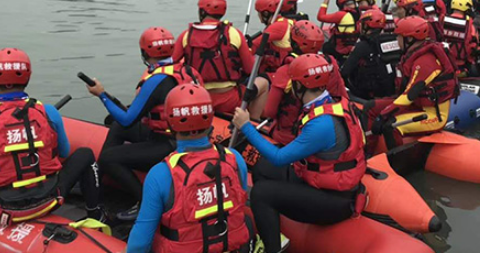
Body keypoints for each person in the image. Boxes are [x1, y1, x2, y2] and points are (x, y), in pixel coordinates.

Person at [232, 54, 367, 253]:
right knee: (262, 168)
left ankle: (272, 249)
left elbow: (280, 159)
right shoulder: (334, 104)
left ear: (299, 87)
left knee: (260, 194)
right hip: (322, 182)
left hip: (333, 200)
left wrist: (246, 126)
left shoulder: (321, 124)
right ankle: (274, 228)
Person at [0, 48, 105, 226]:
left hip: (5, 205)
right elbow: (64, 152)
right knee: (85, 154)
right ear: (27, 77)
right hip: (50, 198)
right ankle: (95, 213)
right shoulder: (48, 112)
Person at [85, 27, 202, 221]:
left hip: (169, 145)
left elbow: (127, 119)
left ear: (144, 53)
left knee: (108, 157)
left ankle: (144, 202)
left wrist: (101, 95)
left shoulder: (157, 79)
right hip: (180, 137)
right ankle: (100, 182)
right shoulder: (187, 70)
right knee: (117, 127)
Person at [127, 84, 252, 253]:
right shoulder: (235, 159)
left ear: (170, 123)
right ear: (209, 119)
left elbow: (139, 244)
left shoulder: (161, 174)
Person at [172, 0, 269, 119]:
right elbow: (250, 70)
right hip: (230, 100)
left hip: (197, 98)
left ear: (201, 12)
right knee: (264, 83)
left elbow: (172, 64)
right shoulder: (233, 33)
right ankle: (253, 122)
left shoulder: (186, 35)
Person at [371, 17, 459, 150]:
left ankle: (396, 164)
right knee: (370, 107)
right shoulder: (413, 54)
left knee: (391, 126)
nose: (397, 41)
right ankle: (368, 148)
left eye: (399, 37)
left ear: (409, 39)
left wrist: (384, 115)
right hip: (416, 106)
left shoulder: (424, 62)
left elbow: (409, 96)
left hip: (433, 116)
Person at [264, 21, 347, 146]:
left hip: (291, 135)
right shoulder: (331, 62)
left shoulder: (285, 71)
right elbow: (342, 94)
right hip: (327, 127)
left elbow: (269, 112)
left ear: (293, 43)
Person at [341, 9, 401, 99]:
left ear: (366, 26)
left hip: (371, 96)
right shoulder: (395, 40)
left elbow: (344, 72)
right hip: (395, 90)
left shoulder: (363, 46)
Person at [250, 0, 294, 74]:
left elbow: (255, 45)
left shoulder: (278, 26)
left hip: (278, 71)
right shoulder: (286, 21)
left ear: (265, 13)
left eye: (259, 13)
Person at [317, 0, 361, 66]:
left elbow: (320, 17)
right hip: (355, 47)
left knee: (326, 47)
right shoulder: (359, 13)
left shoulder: (341, 15)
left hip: (341, 50)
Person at [442, 0, 479, 74]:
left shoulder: (443, 20)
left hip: (444, 62)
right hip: (462, 65)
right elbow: (474, 44)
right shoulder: (470, 24)